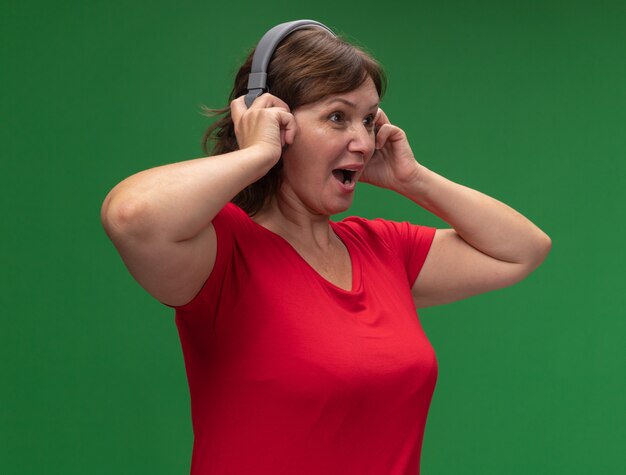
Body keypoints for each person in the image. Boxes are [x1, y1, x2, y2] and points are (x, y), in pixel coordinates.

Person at [101, 23, 551, 475]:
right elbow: (131, 215)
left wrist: (412, 179)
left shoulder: (383, 248)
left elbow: (522, 249)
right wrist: (257, 154)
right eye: (338, 117)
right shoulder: (225, 252)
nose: (363, 140)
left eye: (369, 119)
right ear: (274, 119)